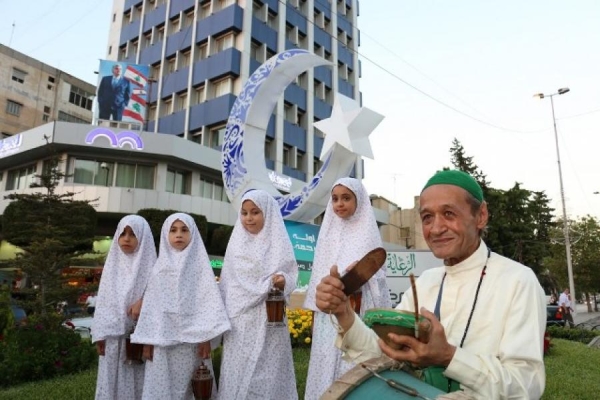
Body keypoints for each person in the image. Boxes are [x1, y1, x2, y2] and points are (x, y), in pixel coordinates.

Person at [315, 170, 547, 399]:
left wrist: (449, 357)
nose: (436, 229)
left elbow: (525, 385)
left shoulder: (517, 281)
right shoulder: (426, 282)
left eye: (449, 213)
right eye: (427, 217)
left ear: (481, 215)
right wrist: (344, 312)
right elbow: (384, 354)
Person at [303, 177, 391, 399]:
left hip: (356, 313)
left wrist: (361, 274)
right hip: (327, 317)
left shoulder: (367, 234)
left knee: (352, 366)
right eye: (335, 199)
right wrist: (314, 312)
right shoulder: (327, 234)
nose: (339, 204)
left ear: (359, 200)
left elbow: (379, 276)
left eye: (346, 198)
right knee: (324, 367)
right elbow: (318, 277)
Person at [132, 213, 230, 400]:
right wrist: (148, 341)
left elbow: (209, 303)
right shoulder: (159, 269)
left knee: (191, 387)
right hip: (162, 342)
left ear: (193, 234)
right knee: (162, 388)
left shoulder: (201, 269)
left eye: (184, 230)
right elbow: (152, 309)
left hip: (192, 343)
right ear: (165, 234)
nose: (179, 234)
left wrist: (205, 337)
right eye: (173, 230)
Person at [217, 190, 298, 399]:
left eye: (255, 212)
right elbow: (227, 283)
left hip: (269, 318)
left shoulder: (278, 243)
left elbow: (290, 275)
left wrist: (282, 280)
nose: (249, 218)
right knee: (238, 369)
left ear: (268, 213)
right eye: (244, 213)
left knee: (268, 372)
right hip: (240, 321)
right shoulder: (236, 244)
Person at [92, 215, 157, 400]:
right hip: (112, 337)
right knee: (111, 381)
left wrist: (144, 301)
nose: (126, 239)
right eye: (122, 234)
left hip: (140, 339)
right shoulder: (112, 265)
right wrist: (100, 334)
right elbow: (103, 301)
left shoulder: (153, 267)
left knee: (139, 382)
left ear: (143, 237)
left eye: (132, 234)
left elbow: (160, 295)